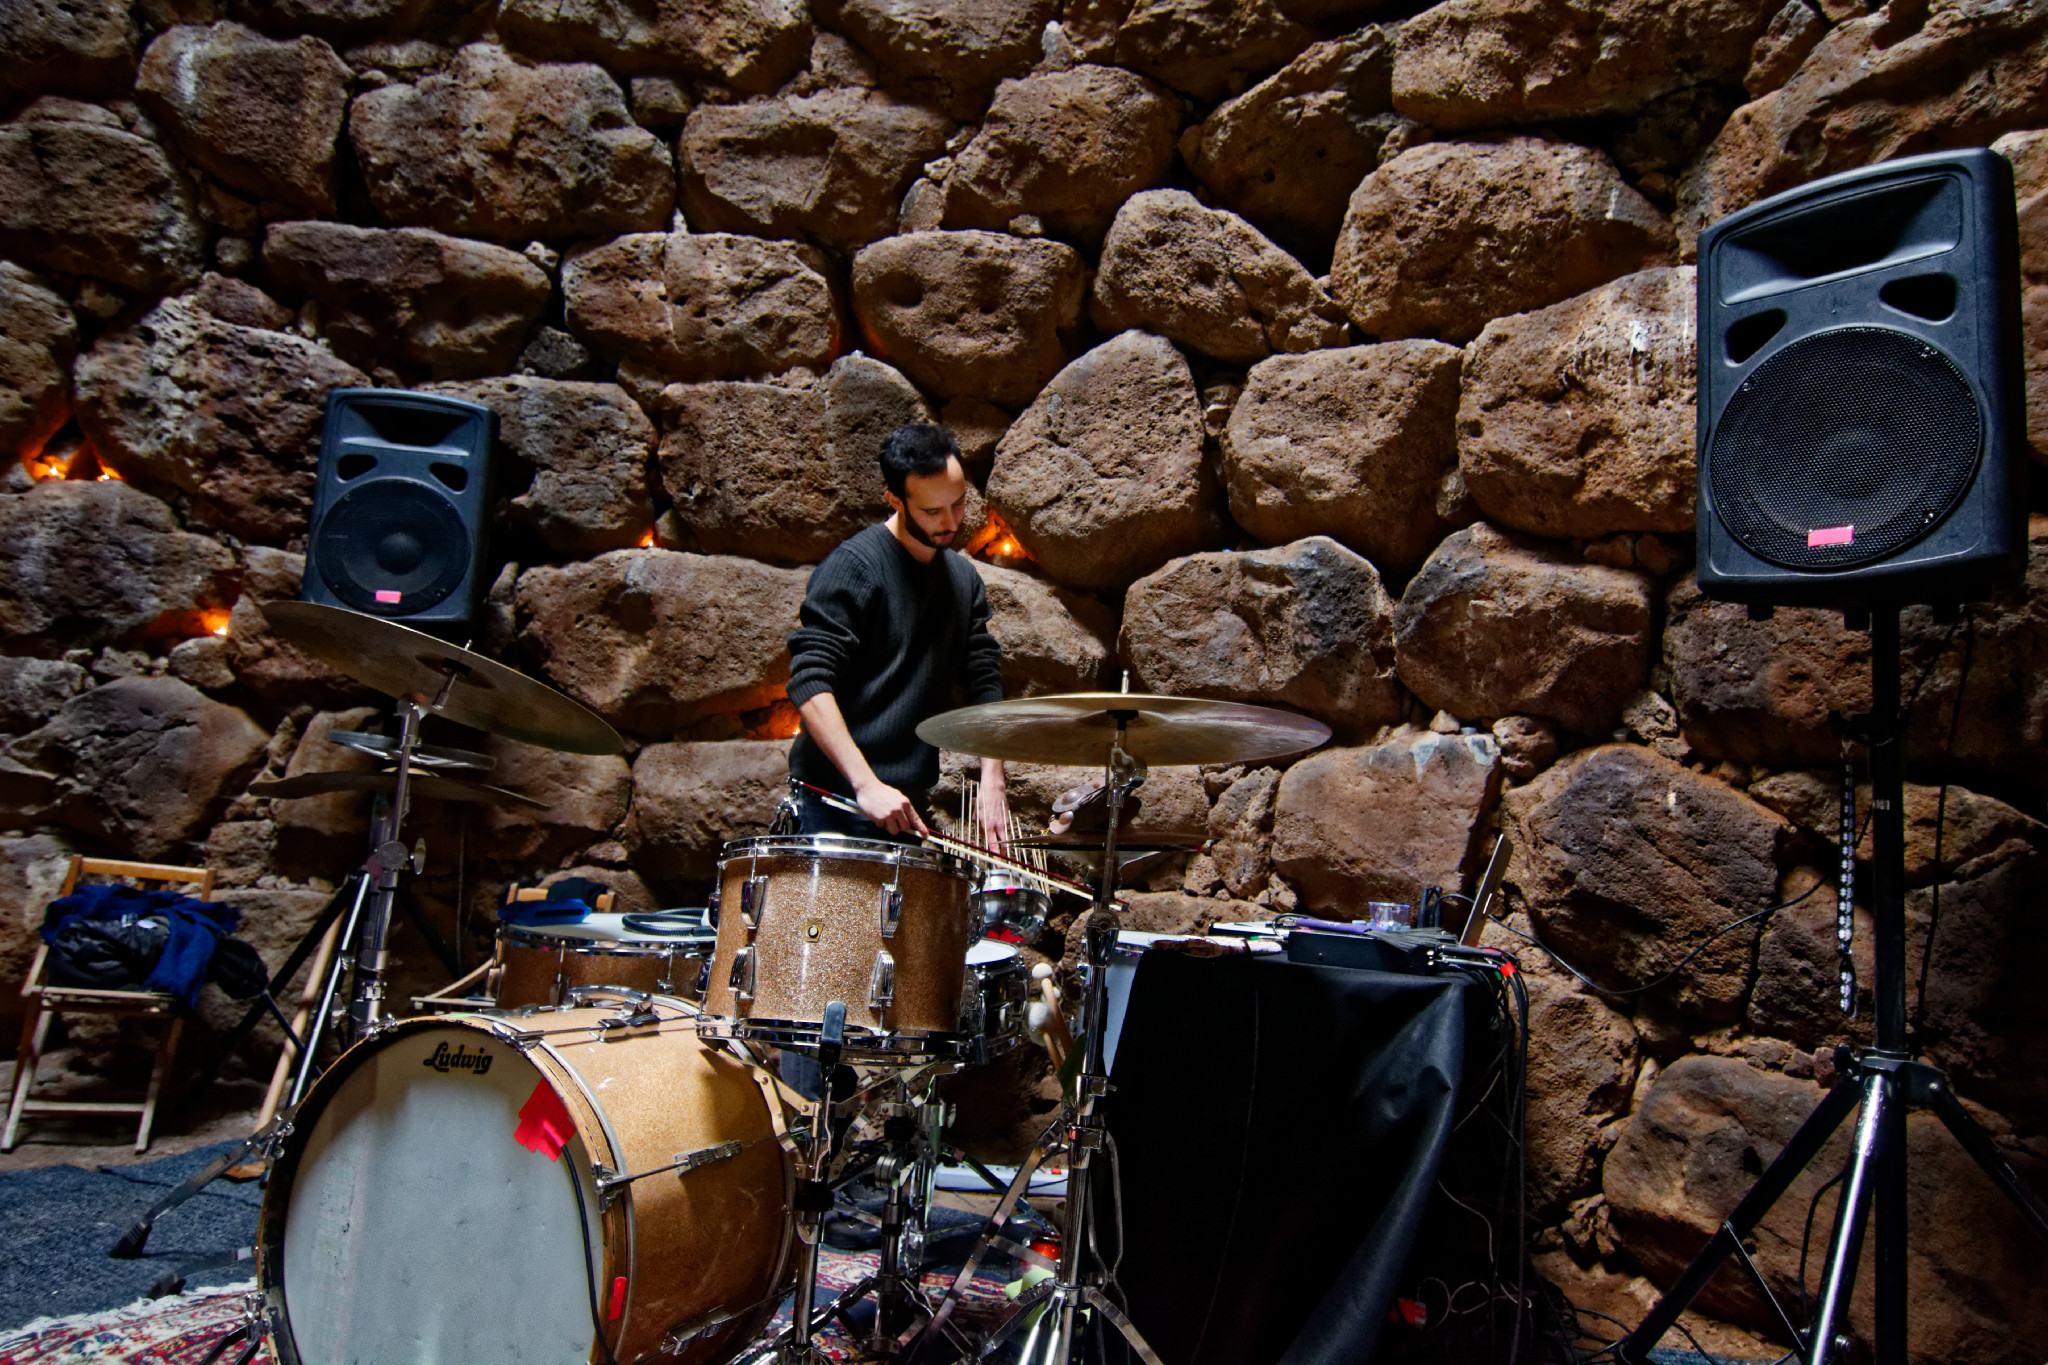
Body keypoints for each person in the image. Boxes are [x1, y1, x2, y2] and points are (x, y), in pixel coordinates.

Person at [785, 422, 1009, 849]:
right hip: (835, 801)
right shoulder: (854, 567)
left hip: (907, 807)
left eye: (958, 503)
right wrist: (866, 784)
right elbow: (809, 682)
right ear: (895, 500)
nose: (950, 521)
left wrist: (993, 776)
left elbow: (983, 679)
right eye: (932, 511)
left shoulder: (963, 581)